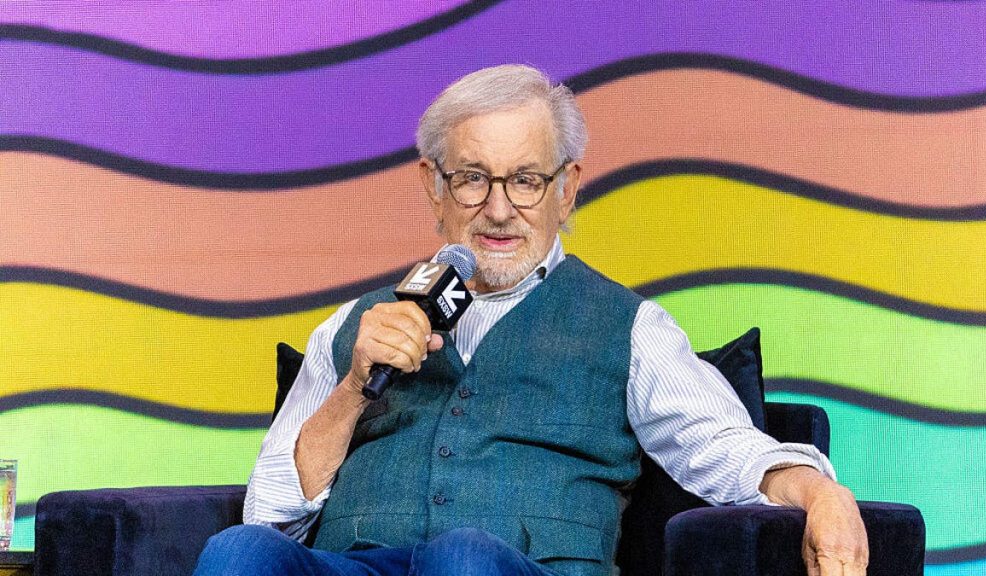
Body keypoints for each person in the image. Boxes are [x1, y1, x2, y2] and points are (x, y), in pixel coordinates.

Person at [194, 64, 868, 576]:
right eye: (472, 178)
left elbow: (722, 445)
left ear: (566, 189)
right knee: (238, 552)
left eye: (524, 180)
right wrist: (352, 389)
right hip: (359, 565)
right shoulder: (356, 324)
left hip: (513, 570)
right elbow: (270, 515)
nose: (498, 209)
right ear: (433, 185)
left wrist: (821, 494)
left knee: (461, 558)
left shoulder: (628, 327)